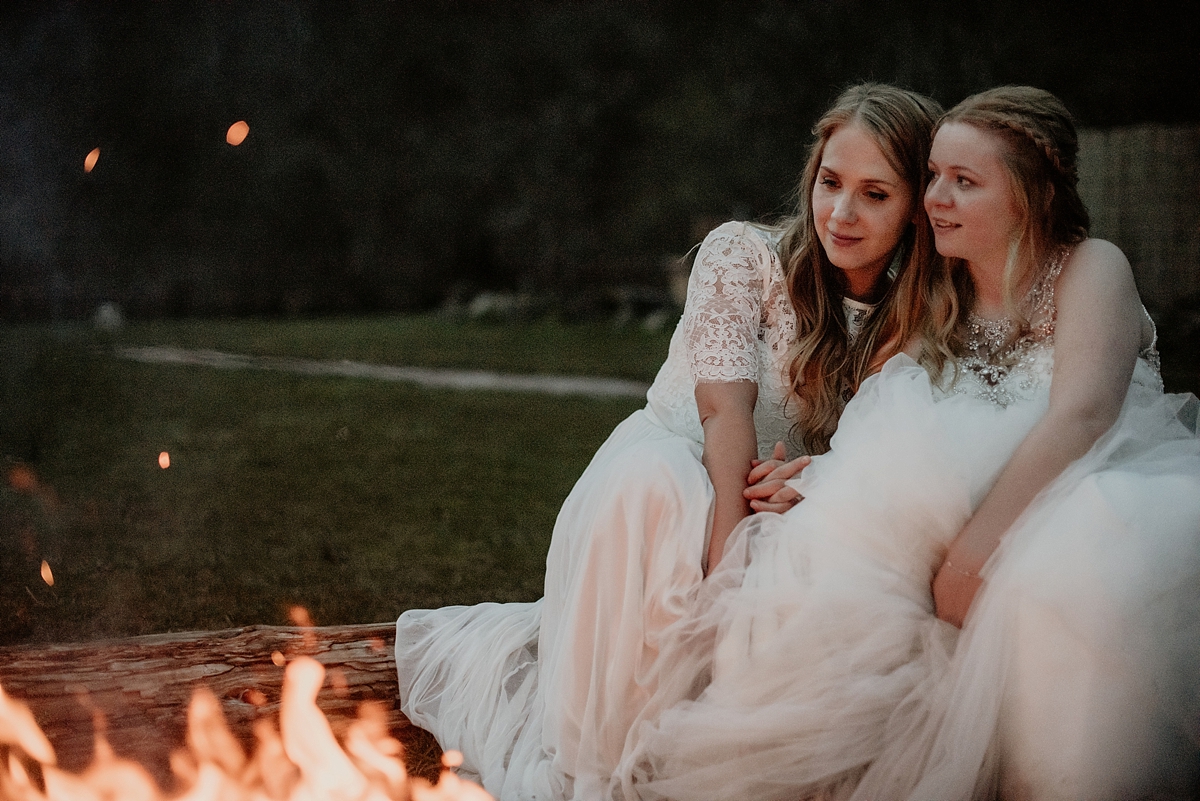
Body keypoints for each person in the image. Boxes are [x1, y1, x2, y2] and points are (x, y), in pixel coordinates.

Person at [617, 86, 1200, 800]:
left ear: (1030, 196)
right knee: (812, 575)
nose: (934, 199)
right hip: (954, 508)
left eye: (964, 181)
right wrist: (816, 478)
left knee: (1067, 582)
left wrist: (974, 549)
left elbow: (1081, 415)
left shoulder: (1087, 268)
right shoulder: (936, 293)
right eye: (932, 177)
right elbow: (883, 420)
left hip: (1082, 488)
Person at [394, 83, 943, 801]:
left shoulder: (916, 310)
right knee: (663, 488)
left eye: (875, 194)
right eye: (831, 182)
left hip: (775, 488)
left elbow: (882, 443)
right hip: (678, 468)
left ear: (915, 208)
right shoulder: (743, 254)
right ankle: (615, 752)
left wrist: (806, 486)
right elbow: (724, 414)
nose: (841, 211)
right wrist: (726, 563)